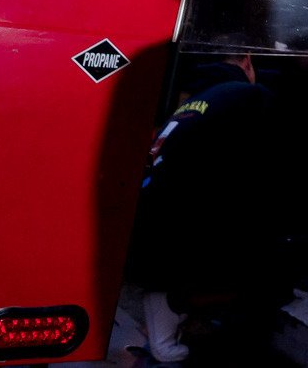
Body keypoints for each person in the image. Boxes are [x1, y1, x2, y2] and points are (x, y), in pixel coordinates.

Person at [123, 53, 296, 366]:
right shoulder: (253, 97)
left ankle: (173, 312)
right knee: (278, 270)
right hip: (173, 246)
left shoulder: (195, 101)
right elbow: (278, 168)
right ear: (246, 62)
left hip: (144, 239)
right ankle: (180, 309)